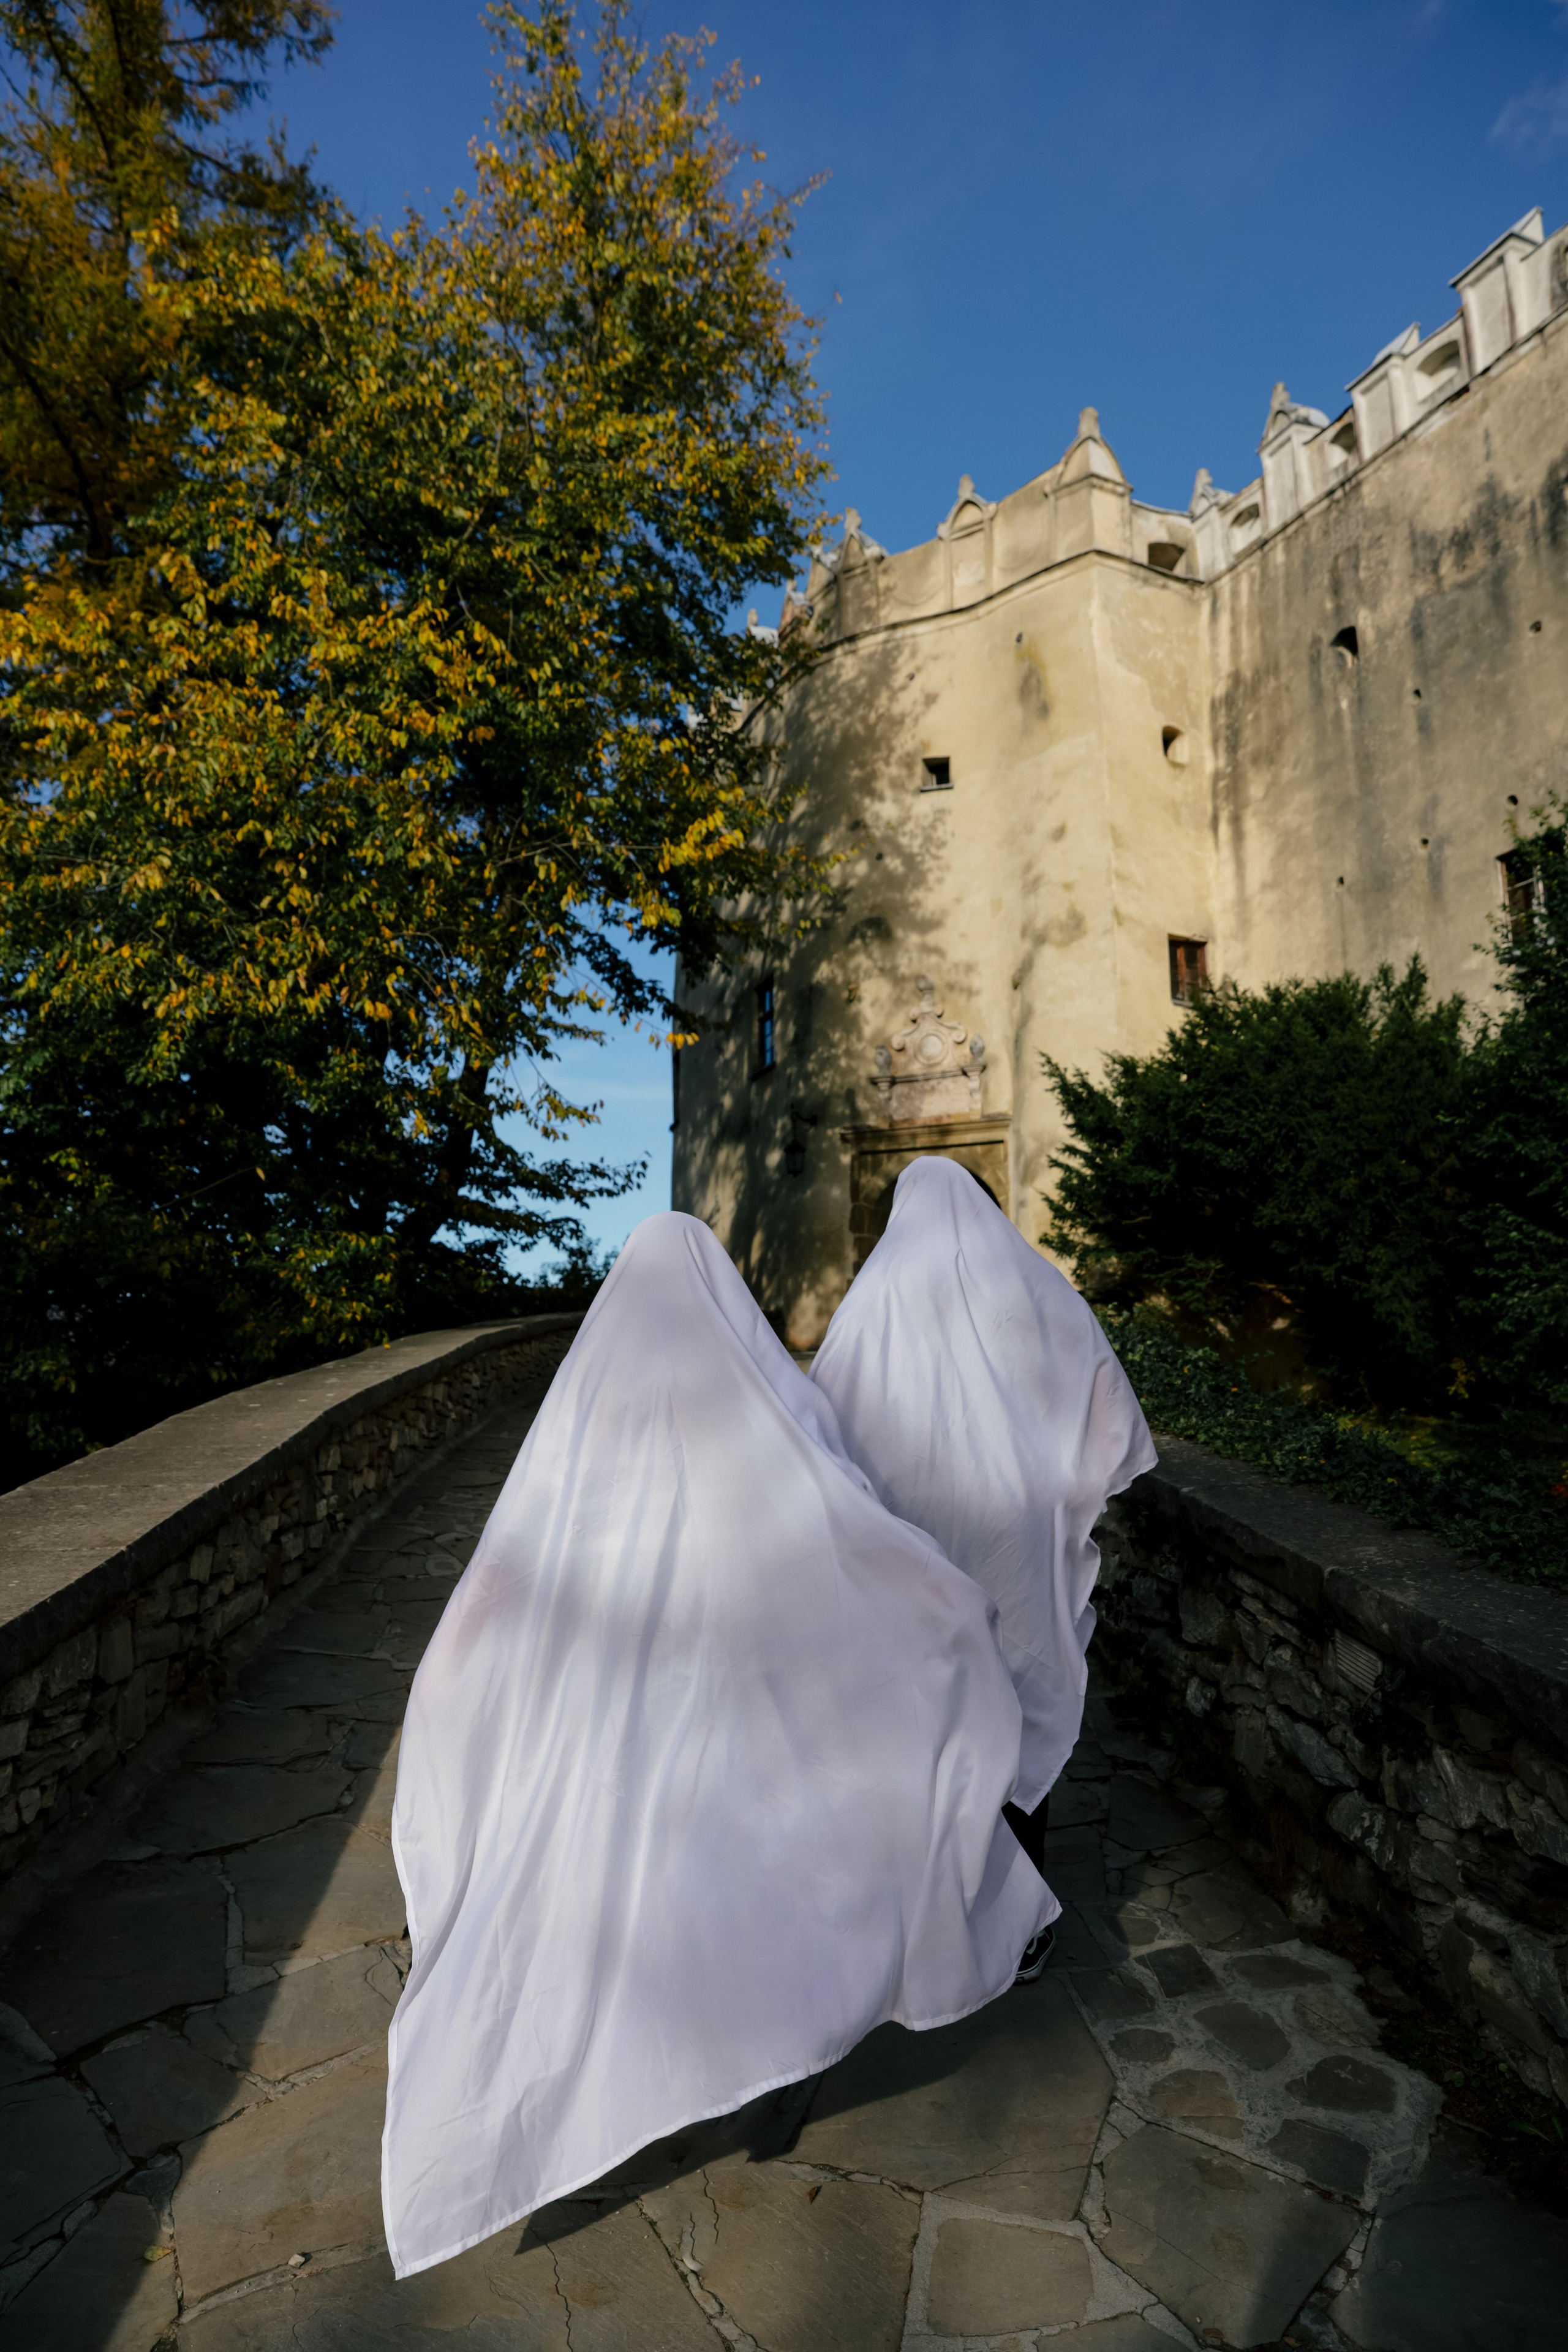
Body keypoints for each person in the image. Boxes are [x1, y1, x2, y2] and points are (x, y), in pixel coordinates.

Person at [382, 1210, 1054, 2280]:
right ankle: (777, 2051)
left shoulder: (582, 1420)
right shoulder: (766, 1399)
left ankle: (701, 2054)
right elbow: (854, 1516)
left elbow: (501, 1578)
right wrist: (946, 1610)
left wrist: (457, 1688)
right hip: (747, 1689)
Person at [810, 1156, 1156, 1978]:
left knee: (930, 1723)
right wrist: (1066, 1494)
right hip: (1014, 1545)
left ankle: (929, 1925)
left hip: (911, 1548)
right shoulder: (1034, 1289)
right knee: (1022, 1701)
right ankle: (1022, 1927)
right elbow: (1102, 1398)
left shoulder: (869, 1307)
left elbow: (818, 1432)